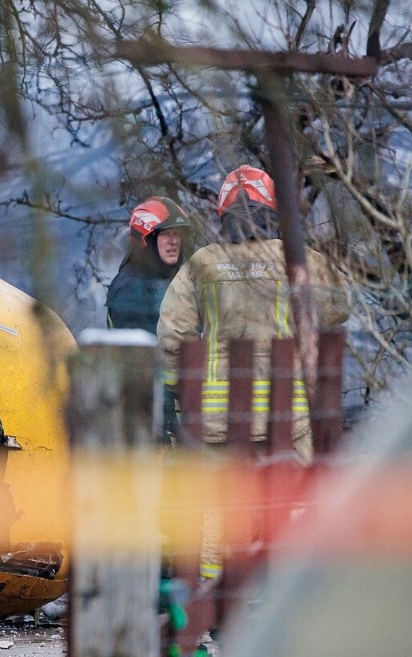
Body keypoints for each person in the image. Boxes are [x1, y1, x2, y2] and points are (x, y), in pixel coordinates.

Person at [156, 164, 350, 585]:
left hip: (219, 422)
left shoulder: (202, 264)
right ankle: (285, 607)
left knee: (216, 515)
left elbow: (172, 335)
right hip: (289, 418)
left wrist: (179, 398)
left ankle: (214, 606)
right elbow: (339, 308)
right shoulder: (299, 261)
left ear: (224, 213)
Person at [106, 196, 191, 334]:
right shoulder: (132, 288)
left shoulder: (169, 277)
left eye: (176, 234)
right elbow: (140, 351)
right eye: (165, 234)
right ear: (147, 241)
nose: (174, 241)